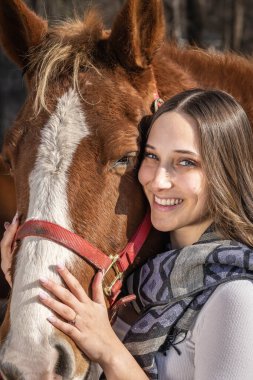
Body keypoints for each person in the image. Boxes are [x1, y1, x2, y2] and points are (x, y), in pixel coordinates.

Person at [1, 88, 253, 380]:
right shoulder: (138, 283)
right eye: (151, 156)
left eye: (186, 162)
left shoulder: (236, 299)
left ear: (226, 172)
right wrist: (25, 280)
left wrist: (110, 353)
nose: (158, 180)